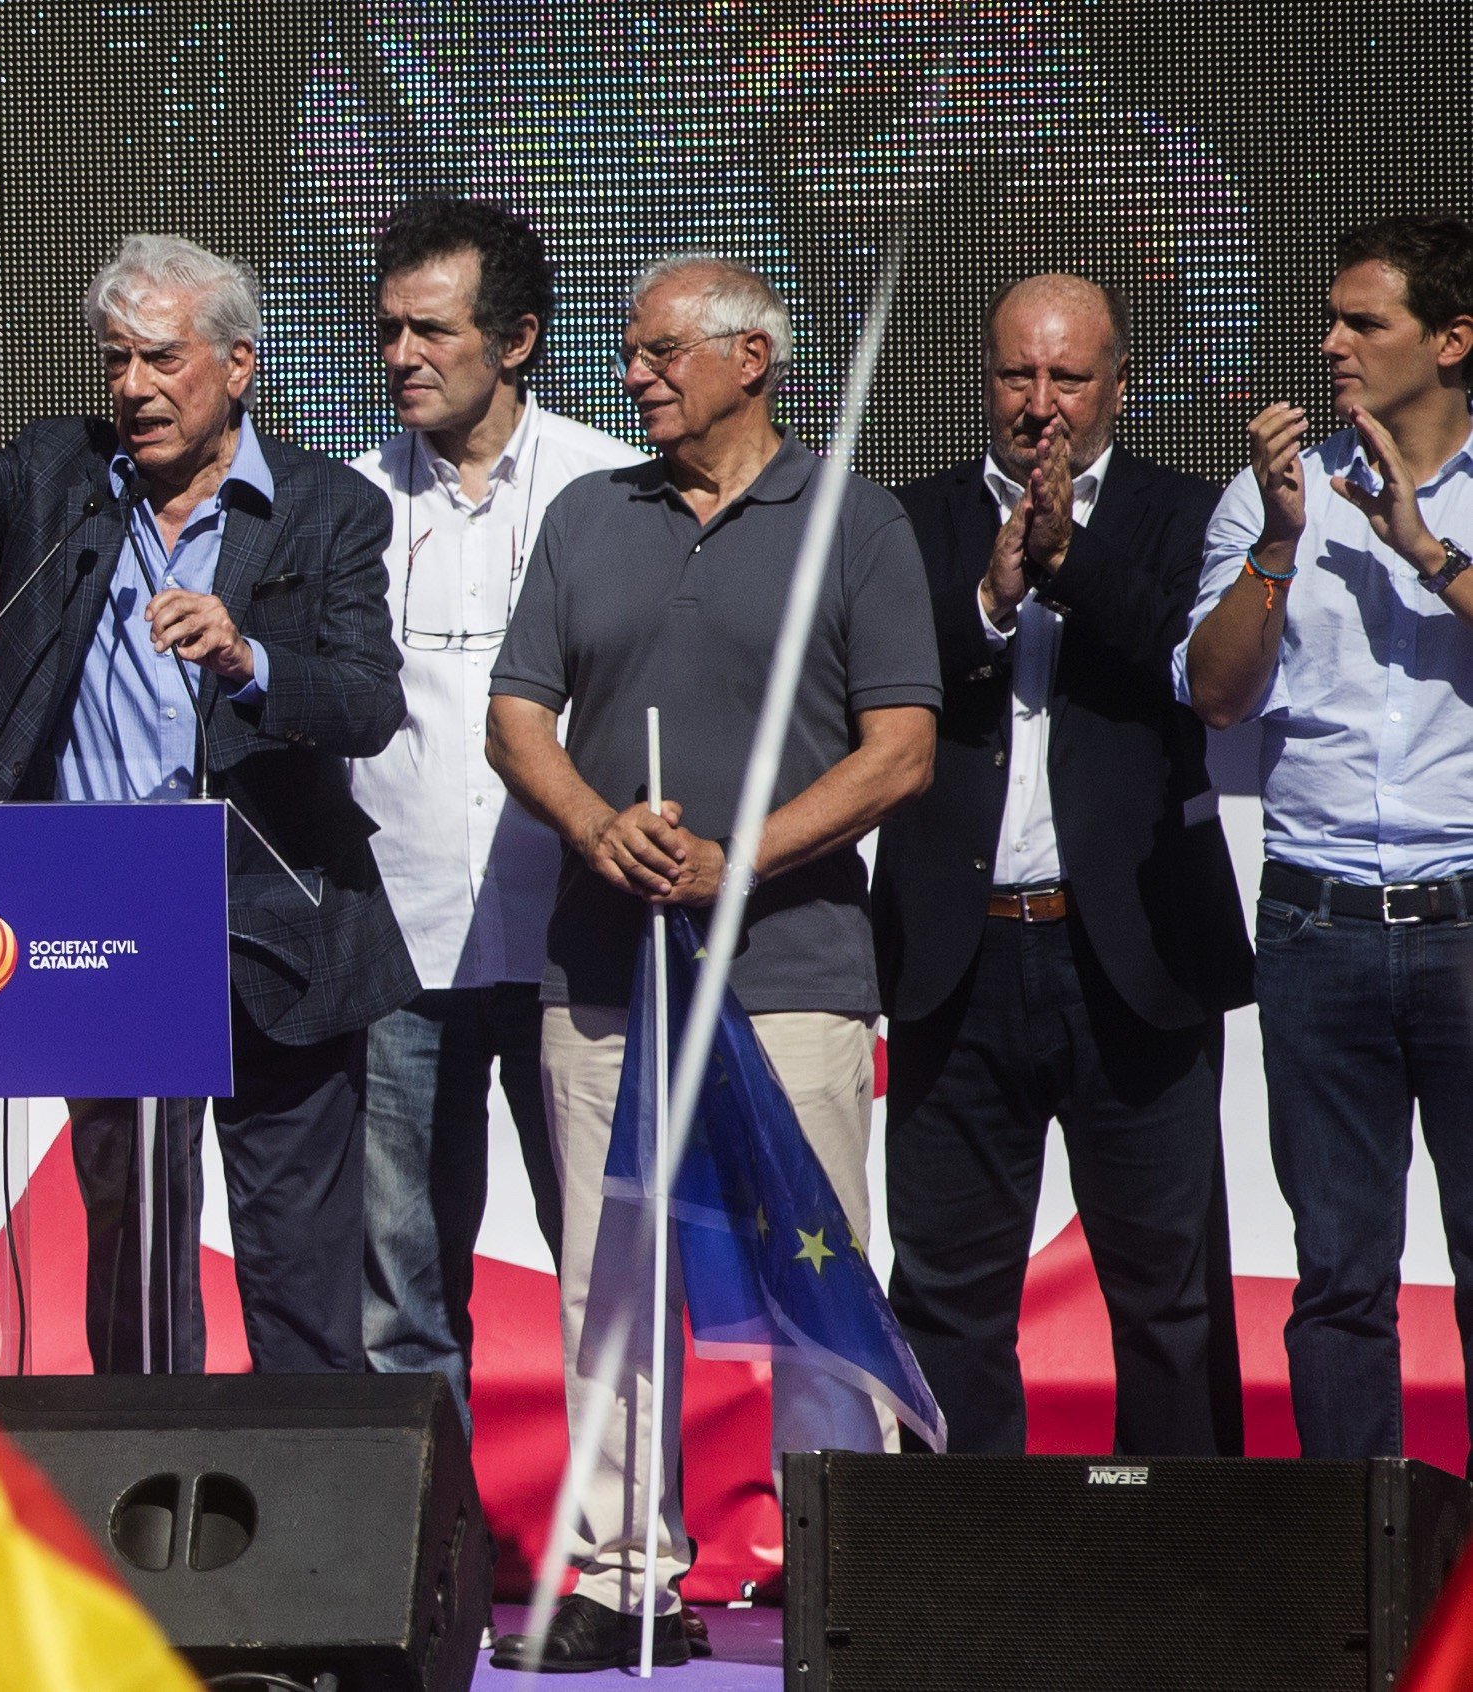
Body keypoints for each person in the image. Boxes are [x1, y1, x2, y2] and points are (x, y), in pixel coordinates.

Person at [0, 233, 416, 1376]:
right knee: (135, 1264)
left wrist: (249, 656)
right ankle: (148, 1527)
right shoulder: (63, 477)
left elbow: (365, 703)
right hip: (98, 926)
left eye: (161, 360)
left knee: (300, 1269)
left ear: (239, 367)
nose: (133, 389)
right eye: (115, 360)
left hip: (277, 922)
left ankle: (310, 1536)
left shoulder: (326, 508)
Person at [484, 253, 938, 1669]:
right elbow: (515, 718)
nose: (635, 376)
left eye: (661, 350)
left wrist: (737, 858)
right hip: (608, 972)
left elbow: (900, 750)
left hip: (790, 971)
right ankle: (625, 1574)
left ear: (754, 360)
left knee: (810, 1276)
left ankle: (839, 1567)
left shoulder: (851, 521)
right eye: (629, 354)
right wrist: (593, 826)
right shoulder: (583, 514)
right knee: (608, 1282)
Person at [873, 274, 1251, 1459]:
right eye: (1016, 375)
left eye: (1069, 378)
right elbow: (872, 691)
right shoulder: (911, 519)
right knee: (946, 1292)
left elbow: (1200, 673)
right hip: (957, 952)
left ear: (1121, 390)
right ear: (982, 383)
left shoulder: (1192, 515)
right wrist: (991, 598)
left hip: (1131, 952)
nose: (1041, 404)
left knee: (1168, 1294)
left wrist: (1067, 560)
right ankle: (968, 1585)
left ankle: (1187, 1580)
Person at [1179, 214, 1473, 1459]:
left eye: (1367, 322)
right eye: (1333, 319)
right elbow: (1216, 693)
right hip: (1317, 923)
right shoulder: (1272, 501)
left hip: (1466, 915)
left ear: (1454, 341)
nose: (1333, 344)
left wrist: (1428, 551)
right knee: (1339, 1276)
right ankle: (1371, 1572)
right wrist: (1284, 547)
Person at [350, 198, 642, 1414]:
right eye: (388, 332)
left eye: (433, 331)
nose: (402, 356)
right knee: (404, 1291)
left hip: (576, 942)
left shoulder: (612, 488)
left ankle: (624, 1576)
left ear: (514, 340)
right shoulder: (347, 501)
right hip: (401, 942)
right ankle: (428, 1577)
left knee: (608, 1275)